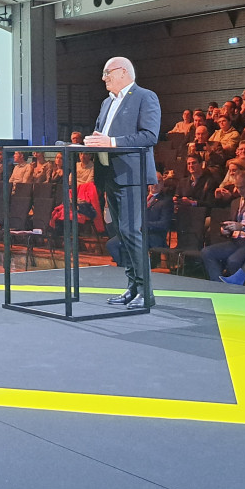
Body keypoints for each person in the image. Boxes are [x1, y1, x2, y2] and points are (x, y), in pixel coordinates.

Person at [84, 56, 160, 309]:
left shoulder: (145, 96)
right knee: (120, 235)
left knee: (131, 232)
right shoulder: (107, 102)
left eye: (107, 73)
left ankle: (146, 292)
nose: (103, 78)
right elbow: (103, 134)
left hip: (131, 176)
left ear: (123, 72)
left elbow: (149, 135)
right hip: (109, 175)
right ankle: (132, 287)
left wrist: (111, 142)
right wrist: (95, 141)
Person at [200, 169, 245, 281]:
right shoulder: (235, 202)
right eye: (237, 187)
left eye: (242, 187)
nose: (239, 190)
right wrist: (226, 230)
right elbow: (233, 224)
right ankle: (218, 285)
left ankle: (237, 289)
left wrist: (243, 227)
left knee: (233, 261)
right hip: (235, 241)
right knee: (207, 252)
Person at [107, 180, 174, 267]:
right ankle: (126, 267)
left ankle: (131, 268)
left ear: (162, 184)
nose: (155, 184)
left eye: (159, 182)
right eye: (152, 181)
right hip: (135, 232)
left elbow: (164, 224)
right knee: (111, 244)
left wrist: (143, 225)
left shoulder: (166, 201)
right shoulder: (141, 197)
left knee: (129, 244)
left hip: (153, 235)